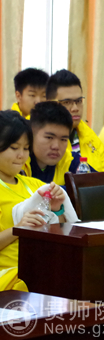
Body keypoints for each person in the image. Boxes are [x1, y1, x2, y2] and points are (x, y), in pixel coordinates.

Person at [0, 111, 67, 291]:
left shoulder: (36, 185)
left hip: (41, 263)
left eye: (26, 148)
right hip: (10, 273)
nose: (21, 155)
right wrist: (18, 229)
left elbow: (61, 235)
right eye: (14, 148)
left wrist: (57, 210)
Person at [46, 69, 104, 172]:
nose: (75, 108)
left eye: (78, 101)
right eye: (67, 102)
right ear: (49, 104)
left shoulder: (91, 137)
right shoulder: (36, 136)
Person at [22, 102, 79, 185]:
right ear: (31, 134)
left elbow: (97, 186)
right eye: (49, 137)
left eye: (63, 139)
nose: (56, 146)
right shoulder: (18, 161)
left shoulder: (70, 161)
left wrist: (62, 190)